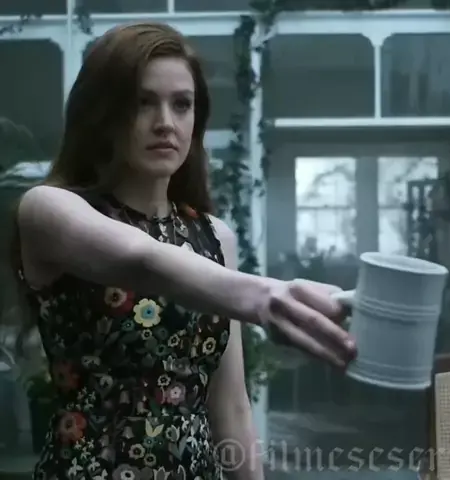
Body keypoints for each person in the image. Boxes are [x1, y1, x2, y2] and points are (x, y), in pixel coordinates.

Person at [12, 22, 356, 480]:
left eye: (182, 104)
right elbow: (141, 258)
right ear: (103, 113)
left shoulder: (215, 237)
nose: (165, 123)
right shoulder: (49, 209)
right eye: (142, 102)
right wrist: (264, 297)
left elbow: (231, 406)